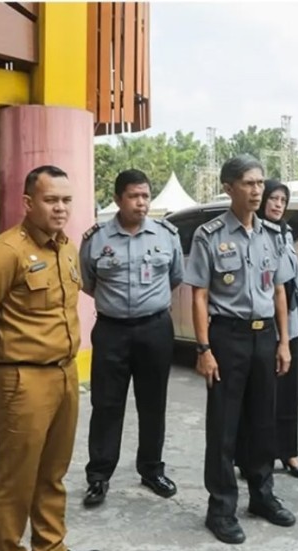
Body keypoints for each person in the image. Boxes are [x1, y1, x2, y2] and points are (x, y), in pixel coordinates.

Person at [0, 165, 101, 551]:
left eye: (65, 200)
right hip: (22, 378)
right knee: (14, 480)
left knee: (53, 470)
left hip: (64, 372)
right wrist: (12, 347)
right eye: (50, 200)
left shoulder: (66, 248)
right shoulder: (7, 251)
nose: (60, 208)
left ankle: (49, 548)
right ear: (28, 203)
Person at [184, 155, 297, 545]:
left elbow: (280, 289)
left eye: (260, 183)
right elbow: (199, 295)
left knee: (262, 421)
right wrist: (204, 348)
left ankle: (262, 497)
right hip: (227, 337)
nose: (257, 191)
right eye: (248, 183)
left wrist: (284, 341)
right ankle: (221, 508)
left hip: (264, 336)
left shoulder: (272, 234)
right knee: (224, 426)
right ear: (229, 187)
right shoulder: (209, 235)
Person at [79, 169, 183, 507]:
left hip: (155, 329)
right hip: (111, 330)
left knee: (153, 403)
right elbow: (88, 281)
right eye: (134, 196)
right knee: (107, 405)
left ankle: (152, 469)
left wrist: (148, 306)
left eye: (146, 196)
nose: (142, 203)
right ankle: (99, 476)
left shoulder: (166, 235)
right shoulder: (96, 239)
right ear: (118, 199)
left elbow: (175, 277)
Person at [255, 180, 298, 479]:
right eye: (273, 199)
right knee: (263, 396)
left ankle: (289, 453)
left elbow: (296, 278)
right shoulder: (255, 232)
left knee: (289, 395)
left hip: (289, 326)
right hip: (265, 327)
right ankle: (259, 456)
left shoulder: (285, 232)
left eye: (282, 200)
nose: (278, 205)